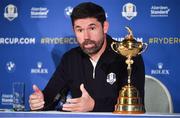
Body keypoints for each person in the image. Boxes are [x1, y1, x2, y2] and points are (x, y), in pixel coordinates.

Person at [29, 2, 145, 112]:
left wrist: (94, 105)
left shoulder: (127, 55)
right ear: (73, 30)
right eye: (79, 30)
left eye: (92, 28)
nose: (86, 36)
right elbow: (51, 96)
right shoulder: (70, 59)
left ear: (104, 27)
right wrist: (40, 101)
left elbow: (134, 105)